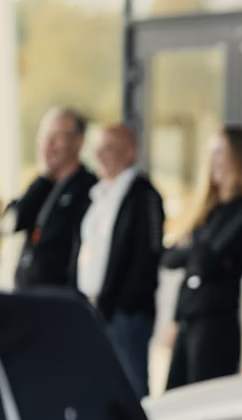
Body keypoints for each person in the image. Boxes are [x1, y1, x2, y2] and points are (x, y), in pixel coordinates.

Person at [162, 125, 242, 390]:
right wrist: (175, 320)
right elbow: (170, 258)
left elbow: (205, 261)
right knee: (174, 397)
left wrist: (192, 246)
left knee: (203, 397)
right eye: (212, 153)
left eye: (220, 153)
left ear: (240, 160)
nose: (213, 161)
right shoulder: (209, 212)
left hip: (215, 322)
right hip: (189, 318)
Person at [77, 123, 165, 397]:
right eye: (98, 149)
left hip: (124, 313)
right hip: (95, 308)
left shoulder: (143, 195)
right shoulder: (98, 194)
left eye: (109, 148)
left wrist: (121, 304)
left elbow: (146, 257)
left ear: (130, 152)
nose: (100, 156)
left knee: (131, 388)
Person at [12, 107, 97, 291]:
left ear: (78, 142)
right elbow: (14, 222)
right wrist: (42, 178)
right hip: (27, 292)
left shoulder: (90, 189)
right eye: (44, 135)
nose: (48, 144)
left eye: (57, 136)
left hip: (61, 297)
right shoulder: (43, 186)